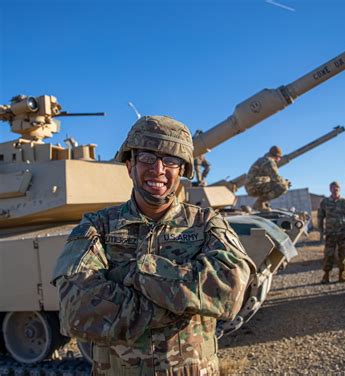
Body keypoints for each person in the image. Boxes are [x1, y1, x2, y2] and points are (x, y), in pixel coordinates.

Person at [51, 116, 255, 375]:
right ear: (130, 165)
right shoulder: (97, 226)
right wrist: (180, 304)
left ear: (182, 170)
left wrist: (136, 272)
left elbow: (231, 289)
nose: (158, 169)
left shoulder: (206, 223)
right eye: (147, 157)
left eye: (170, 160)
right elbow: (76, 308)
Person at [317, 181, 345, 284]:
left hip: (343, 234)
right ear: (330, 189)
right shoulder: (325, 202)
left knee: (343, 254)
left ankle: (341, 275)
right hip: (330, 234)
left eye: (337, 187)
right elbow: (320, 217)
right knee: (328, 255)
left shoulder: (344, 202)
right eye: (333, 187)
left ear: (339, 189)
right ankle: (326, 276)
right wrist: (321, 231)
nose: (335, 189)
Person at [244, 145, 291, 211]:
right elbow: (276, 178)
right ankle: (259, 203)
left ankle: (261, 204)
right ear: (277, 156)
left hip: (252, 186)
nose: (279, 160)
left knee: (274, 183)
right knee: (283, 186)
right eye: (279, 157)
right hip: (254, 186)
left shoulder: (263, 159)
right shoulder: (269, 161)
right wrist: (286, 183)